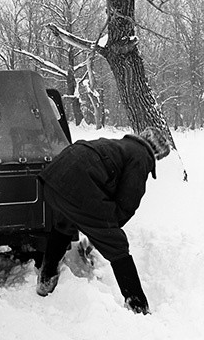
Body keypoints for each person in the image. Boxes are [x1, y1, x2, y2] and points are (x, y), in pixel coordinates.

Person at [36, 126, 171, 314]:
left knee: (65, 224)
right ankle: (137, 306)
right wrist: (105, 233)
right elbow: (127, 202)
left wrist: (97, 231)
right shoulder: (141, 156)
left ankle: (46, 279)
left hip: (53, 179)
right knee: (117, 244)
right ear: (156, 153)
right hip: (79, 184)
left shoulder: (121, 145)